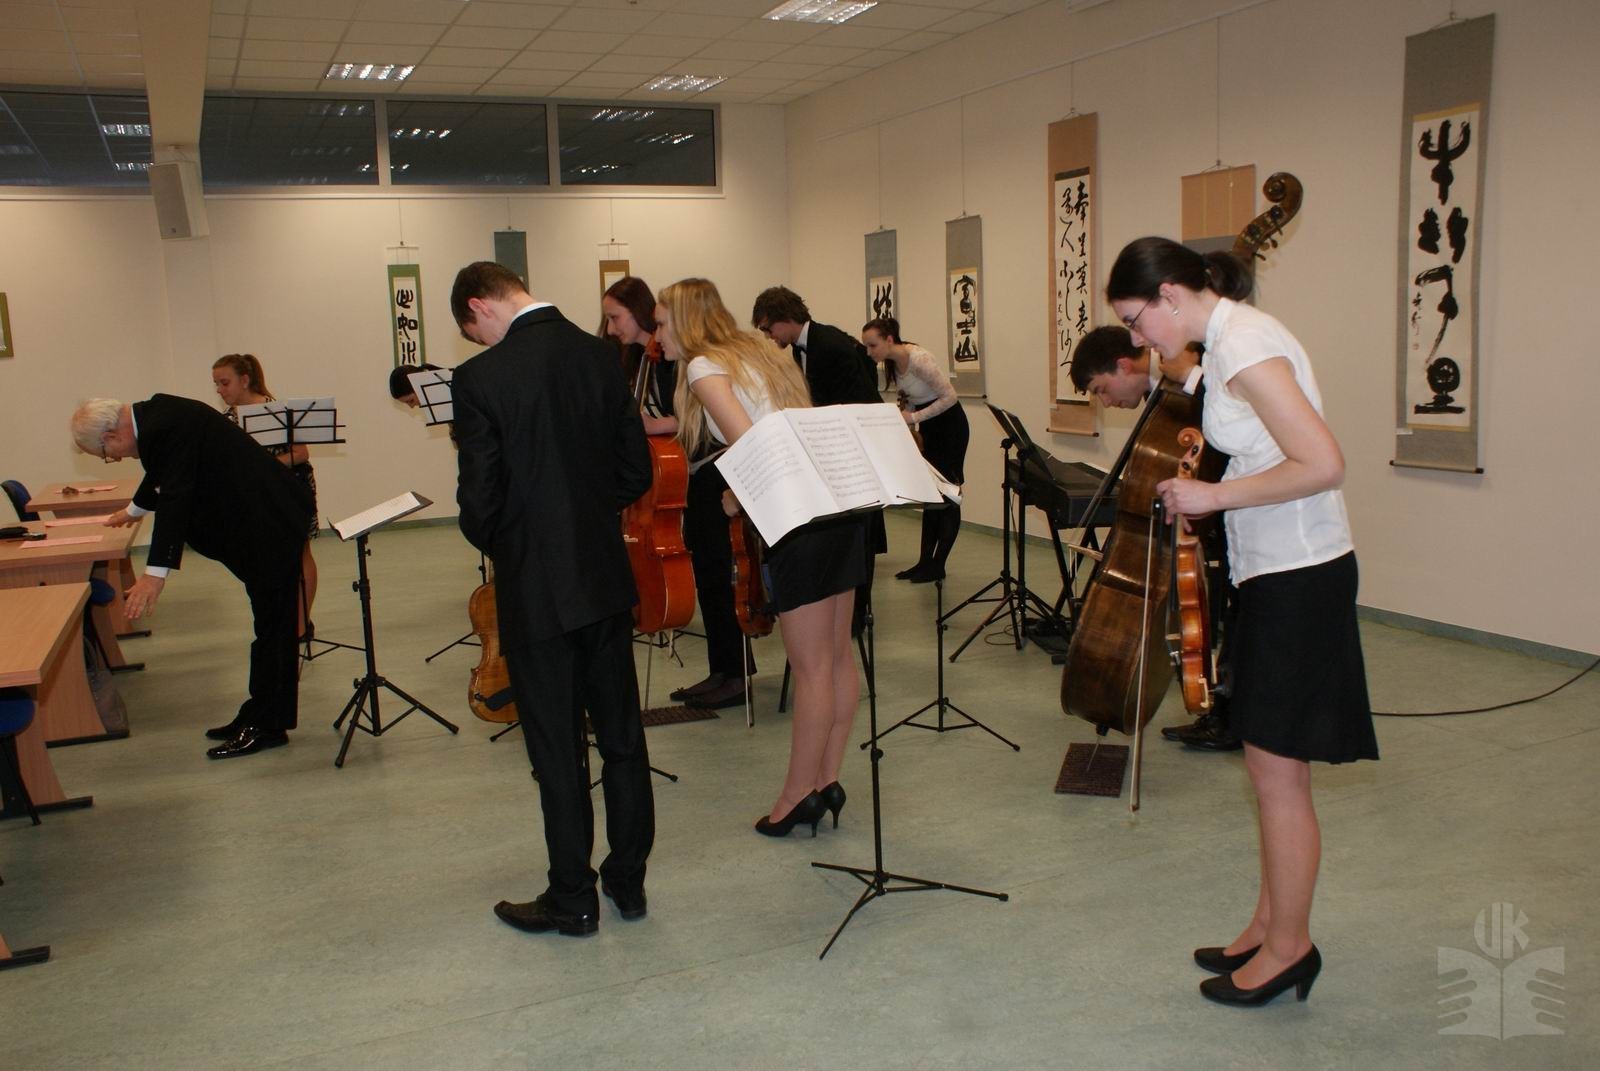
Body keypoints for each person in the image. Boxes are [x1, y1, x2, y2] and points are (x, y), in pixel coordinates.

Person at [1107, 236, 1377, 1006]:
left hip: (1300, 574)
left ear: (1168, 295)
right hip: (1273, 570)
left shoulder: (1248, 343)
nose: (1138, 339)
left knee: (1279, 773)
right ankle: (1269, 923)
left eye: (1135, 320)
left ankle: (1291, 948)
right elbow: (1256, 442)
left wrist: (1214, 497)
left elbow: (1322, 462)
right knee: (1266, 769)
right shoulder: (1226, 343)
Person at [450, 261, 655, 938]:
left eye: (473, 332)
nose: (480, 344)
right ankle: (628, 880)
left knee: (557, 749)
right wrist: (584, 517)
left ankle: (573, 896)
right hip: (603, 577)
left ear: (480, 306)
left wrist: (521, 536)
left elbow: (480, 503)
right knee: (622, 737)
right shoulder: (601, 356)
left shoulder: (480, 379)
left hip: (536, 588)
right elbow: (635, 470)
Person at [664, 278, 863, 837]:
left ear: (684, 320)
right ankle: (827, 780)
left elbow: (758, 448)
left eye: (660, 323)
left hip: (799, 516)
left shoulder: (704, 366)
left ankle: (795, 797)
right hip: (840, 505)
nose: (656, 336)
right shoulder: (758, 350)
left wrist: (734, 496)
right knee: (837, 658)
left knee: (812, 668)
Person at [69, 395, 312, 758]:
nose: (114, 459)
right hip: (263, 520)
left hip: (269, 522)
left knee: (274, 628)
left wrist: (154, 575)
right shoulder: (155, 415)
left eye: (105, 454)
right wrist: (134, 510)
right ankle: (259, 712)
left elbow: (175, 497)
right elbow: (164, 472)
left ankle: (269, 726)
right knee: (268, 626)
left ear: (111, 436)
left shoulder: (161, 427)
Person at [1069, 325, 1241, 751]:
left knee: (1239, 612)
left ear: (1123, 366)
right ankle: (1223, 710)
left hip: (1240, 507)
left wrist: (1194, 379)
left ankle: (1232, 716)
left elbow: (1233, 424)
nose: (1106, 402)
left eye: (1102, 389)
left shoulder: (1188, 380)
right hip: (1210, 515)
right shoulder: (1167, 396)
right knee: (1228, 612)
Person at [603, 276, 751, 710]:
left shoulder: (683, 361)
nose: (610, 328)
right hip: (694, 475)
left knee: (718, 574)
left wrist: (652, 425)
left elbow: (696, 419)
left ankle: (733, 673)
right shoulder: (648, 359)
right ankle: (723, 669)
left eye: (616, 317)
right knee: (707, 574)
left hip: (713, 470)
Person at [751, 286, 884, 634]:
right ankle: (842, 615)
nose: (768, 336)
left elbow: (847, 404)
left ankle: (855, 616)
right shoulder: (805, 346)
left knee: (856, 541)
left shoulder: (830, 345)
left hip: (855, 452)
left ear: (784, 318)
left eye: (768, 328)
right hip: (840, 449)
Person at [212, 354, 319, 641]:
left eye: (225, 383)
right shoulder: (225, 421)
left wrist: (263, 466)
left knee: (300, 553)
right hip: (253, 497)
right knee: (266, 558)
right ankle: (275, 621)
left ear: (245, 380)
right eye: (217, 384)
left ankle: (301, 625)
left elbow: (300, 454)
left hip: (289, 488)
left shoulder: (279, 411)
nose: (220, 390)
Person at [860, 317, 969, 583]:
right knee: (931, 495)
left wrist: (913, 417)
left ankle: (938, 564)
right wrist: (907, 423)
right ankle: (924, 562)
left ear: (889, 340)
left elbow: (950, 397)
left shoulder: (919, 359)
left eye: (873, 345)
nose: (869, 352)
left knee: (949, 495)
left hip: (950, 426)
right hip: (930, 427)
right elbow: (910, 400)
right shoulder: (893, 364)